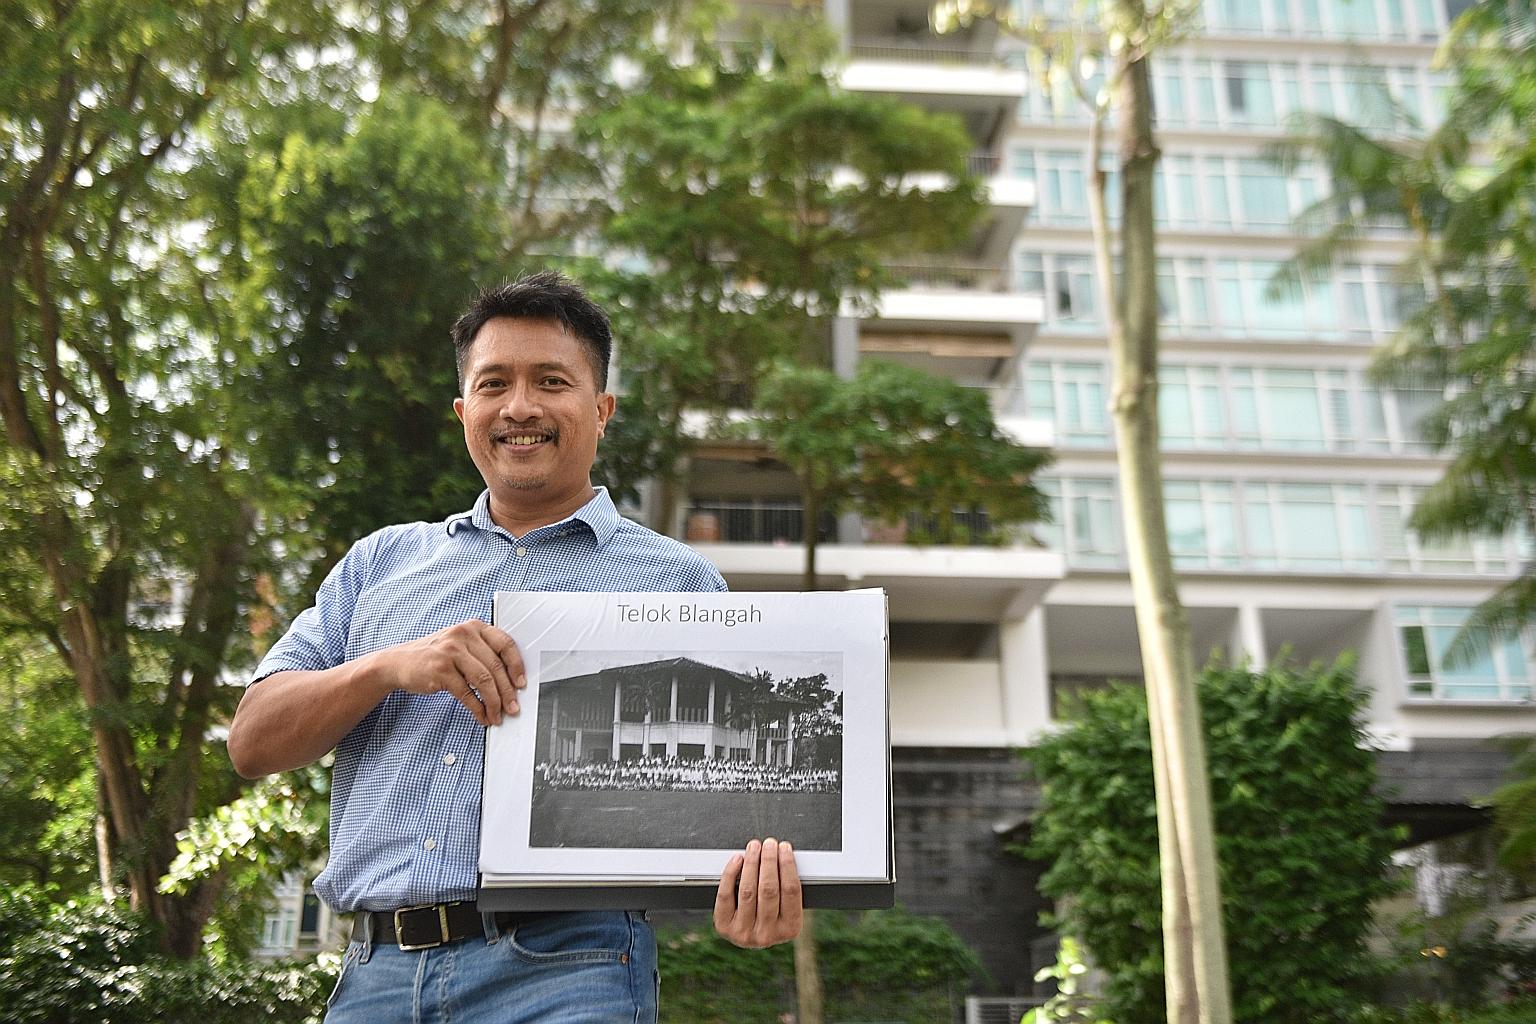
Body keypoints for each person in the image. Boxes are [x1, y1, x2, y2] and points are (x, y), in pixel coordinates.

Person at [227, 271, 802, 1023]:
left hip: (573, 970)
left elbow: (736, 804)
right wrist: (390, 667)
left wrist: (750, 889)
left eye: (551, 381)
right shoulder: (380, 564)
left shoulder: (679, 579)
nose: (520, 406)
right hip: (374, 976)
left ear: (601, 410)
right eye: (495, 383)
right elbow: (251, 742)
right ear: (465, 410)